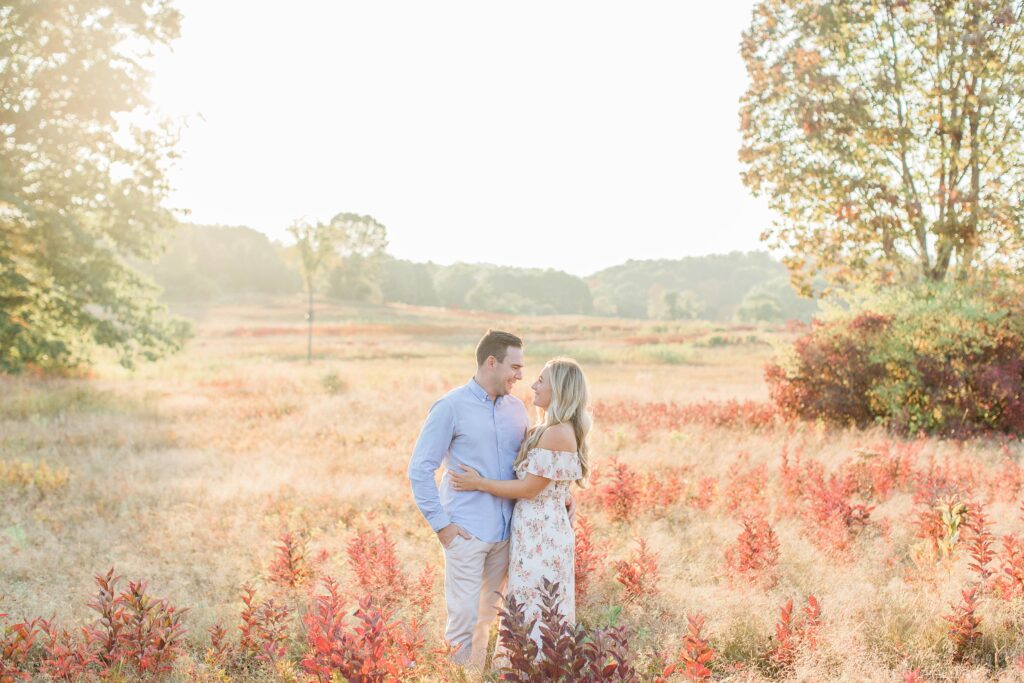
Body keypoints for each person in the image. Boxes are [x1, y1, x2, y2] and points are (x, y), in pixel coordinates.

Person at [449, 357, 590, 654]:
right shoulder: (543, 428)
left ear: (560, 389)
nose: (533, 384)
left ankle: (535, 668)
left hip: (544, 535)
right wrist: (563, 495)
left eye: (542, 380)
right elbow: (550, 483)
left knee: (540, 601)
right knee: (525, 599)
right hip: (531, 530)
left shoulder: (557, 432)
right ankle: (523, 664)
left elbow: (528, 488)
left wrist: (479, 483)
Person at [407, 330, 530, 668]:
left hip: (505, 536)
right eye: (515, 367)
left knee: (487, 620)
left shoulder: (518, 410)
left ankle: (475, 674)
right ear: (491, 362)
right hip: (466, 533)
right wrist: (443, 527)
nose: (520, 376)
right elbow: (420, 469)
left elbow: (528, 470)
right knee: (462, 621)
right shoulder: (451, 407)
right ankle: (456, 675)